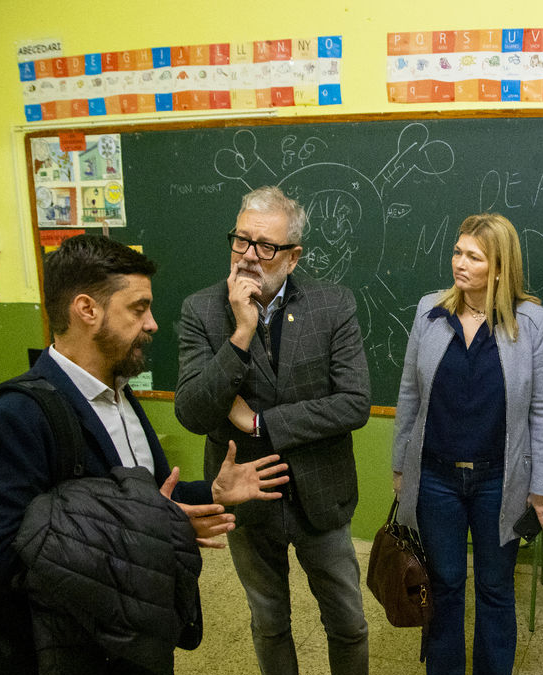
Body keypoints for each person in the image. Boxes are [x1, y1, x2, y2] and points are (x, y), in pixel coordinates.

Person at [0, 234, 289, 672]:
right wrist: (144, 533)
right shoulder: (16, 418)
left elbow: (149, 502)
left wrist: (210, 491)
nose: (153, 323)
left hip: (137, 637)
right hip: (79, 653)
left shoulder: (119, 392)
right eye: (138, 308)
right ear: (86, 310)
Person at [174, 186, 371, 675]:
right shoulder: (201, 311)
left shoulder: (333, 304)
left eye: (266, 246)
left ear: (293, 256)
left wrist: (262, 422)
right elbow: (195, 413)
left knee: (347, 622)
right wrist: (240, 334)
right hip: (246, 496)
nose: (249, 256)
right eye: (241, 240)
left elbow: (353, 403)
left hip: (321, 494)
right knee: (269, 622)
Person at [391, 213, 543, 675]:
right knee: (443, 586)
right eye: (457, 251)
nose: (459, 264)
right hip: (436, 479)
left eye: (473, 256)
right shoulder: (430, 311)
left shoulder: (532, 322)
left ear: (500, 268)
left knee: (494, 588)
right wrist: (401, 469)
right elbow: (410, 393)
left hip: (498, 482)